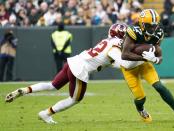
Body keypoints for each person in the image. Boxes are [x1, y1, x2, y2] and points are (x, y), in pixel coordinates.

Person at [5, 23, 134, 124]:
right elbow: (124, 63)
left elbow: (115, 63)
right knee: (75, 99)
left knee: (52, 85)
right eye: (125, 35)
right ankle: (46, 113)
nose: (127, 38)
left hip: (74, 61)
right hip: (80, 70)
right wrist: (144, 58)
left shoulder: (107, 41)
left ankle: (25, 90)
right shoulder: (115, 45)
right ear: (121, 35)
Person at [120, 9, 174, 123]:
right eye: (149, 25)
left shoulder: (158, 31)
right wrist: (145, 58)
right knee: (140, 98)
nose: (152, 28)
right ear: (141, 24)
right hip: (129, 68)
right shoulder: (133, 31)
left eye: (154, 26)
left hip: (143, 64)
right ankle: (141, 110)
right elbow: (124, 55)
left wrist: (156, 59)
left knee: (159, 86)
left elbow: (158, 53)